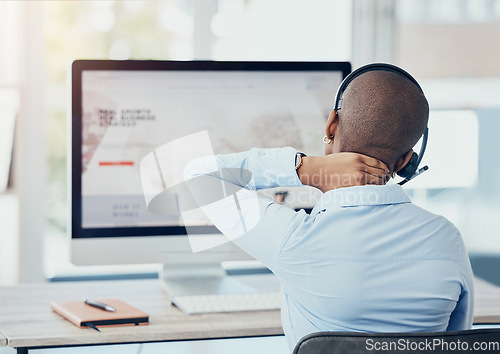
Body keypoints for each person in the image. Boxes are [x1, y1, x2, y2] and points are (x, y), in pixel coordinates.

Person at [183, 66, 474, 351]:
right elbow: (458, 342)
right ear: (405, 162)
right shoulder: (448, 240)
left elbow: (199, 174)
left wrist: (306, 167)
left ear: (331, 126)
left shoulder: (293, 240)